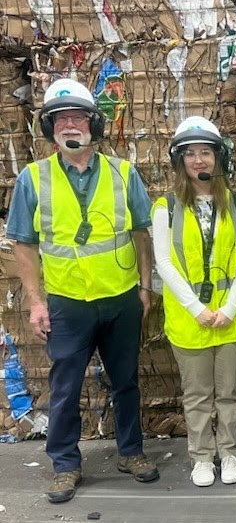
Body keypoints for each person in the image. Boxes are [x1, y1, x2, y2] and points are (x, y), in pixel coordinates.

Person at [6, 78, 159, 503]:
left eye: (77, 117)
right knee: (66, 386)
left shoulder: (123, 173)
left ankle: (131, 452)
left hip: (121, 298)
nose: (69, 125)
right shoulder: (32, 179)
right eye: (61, 119)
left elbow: (142, 234)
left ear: (94, 124)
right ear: (50, 127)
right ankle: (65, 464)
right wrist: (37, 302)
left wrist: (144, 287)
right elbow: (23, 242)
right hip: (68, 304)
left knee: (126, 381)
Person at [152, 117, 236, 487]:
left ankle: (228, 452)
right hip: (189, 319)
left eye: (206, 152)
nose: (199, 160)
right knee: (197, 395)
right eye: (190, 154)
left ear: (218, 158)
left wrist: (228, 308)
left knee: (229, 393)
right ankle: (201, 457)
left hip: (230, 318)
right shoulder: (165, 207)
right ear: (179, 160)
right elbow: (163, 263)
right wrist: (197, 308)